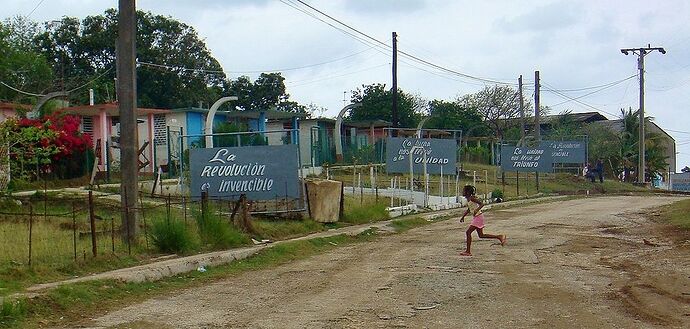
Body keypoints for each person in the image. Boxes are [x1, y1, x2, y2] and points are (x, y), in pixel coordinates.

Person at [459, 185, 506, 256]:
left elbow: (482, 204)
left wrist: (477, 210)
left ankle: (468, 251)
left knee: (468, 232)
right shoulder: (469, 199)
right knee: (481, 235)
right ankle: (499, 236)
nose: (462, 192)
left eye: (464, 190)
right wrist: (463, 216)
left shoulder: (472, 198)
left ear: (468, 192)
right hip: (477, 217)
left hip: (478, 217)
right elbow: (469, 209)